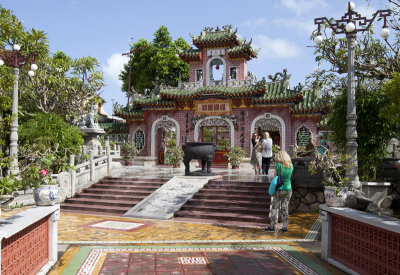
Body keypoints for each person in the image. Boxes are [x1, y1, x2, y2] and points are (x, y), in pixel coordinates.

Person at [265, 150, 294, 233]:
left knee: (274, 207)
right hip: (288, 189)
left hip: (279, 189)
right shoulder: (291, 165)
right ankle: (284, 228)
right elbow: (290, 176)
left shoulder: (278, 165)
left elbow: (275, 177)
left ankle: (271, 227)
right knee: (285, 209)